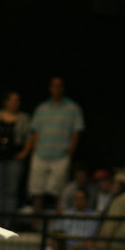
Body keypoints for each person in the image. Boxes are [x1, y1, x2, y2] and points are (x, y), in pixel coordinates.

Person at [26, 77, 85, 210]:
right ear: (50, 88)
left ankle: (57, 225)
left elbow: (76, 132)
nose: (56, 89)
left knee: (59, 192)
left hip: (60, 156)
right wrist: (34, 149)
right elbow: (35, 131)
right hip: (41, 155)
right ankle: (36, 225)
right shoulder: (42, 108)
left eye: (59, 86)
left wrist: (70, 152)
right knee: (37, 190)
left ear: (63, 88)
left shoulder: (72, 108)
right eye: (54, 86)